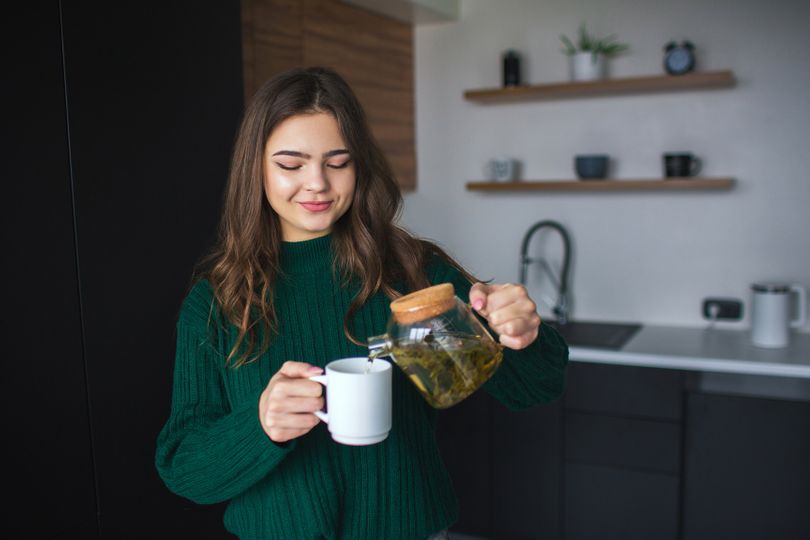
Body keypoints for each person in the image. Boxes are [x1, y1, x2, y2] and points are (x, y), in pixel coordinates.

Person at [155, 66, 568, 540]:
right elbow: (184, 469)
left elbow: (535, 389)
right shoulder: (218, 301)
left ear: (359, 166)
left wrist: (522, 336)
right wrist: (260, 425)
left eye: (338, 162)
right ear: (256, 168)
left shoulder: (412, 275)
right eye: (291, 165)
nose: (317, 183)